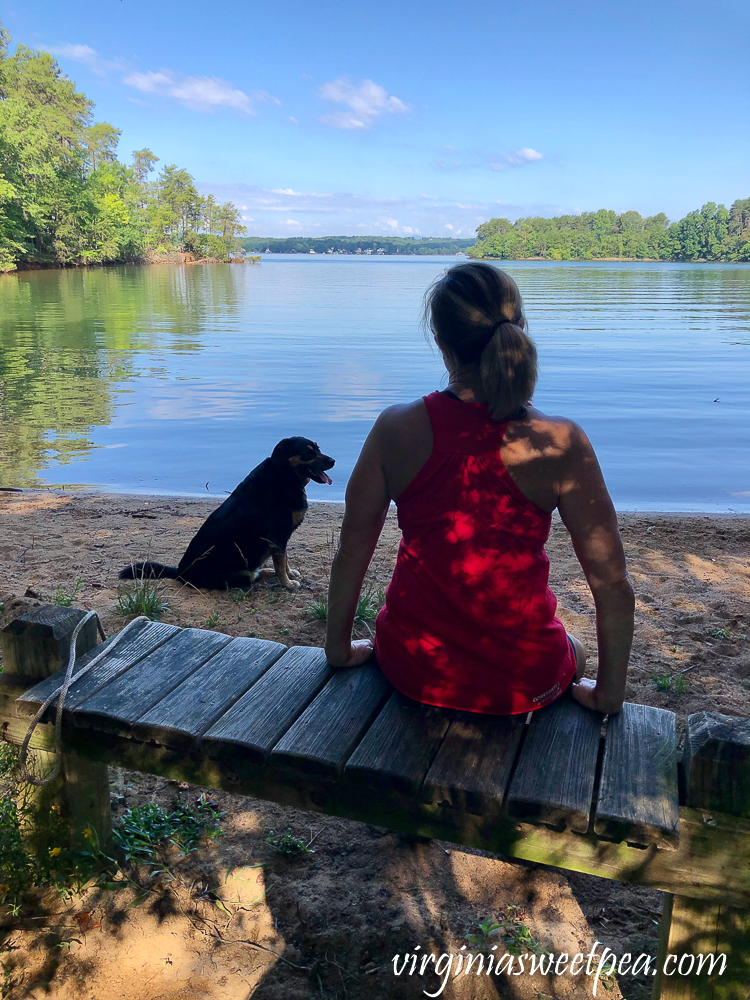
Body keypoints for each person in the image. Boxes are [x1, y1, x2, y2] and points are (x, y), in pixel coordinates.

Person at [324, 262, 634, 716]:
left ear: (439, 339)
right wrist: (606, 696)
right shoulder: (561, 442)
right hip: (524, 679)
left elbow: (352, 550)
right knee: (577, 650)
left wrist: (339, 650)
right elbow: (612, 583)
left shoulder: (395, 429)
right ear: (520, 329)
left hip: (412, 666)